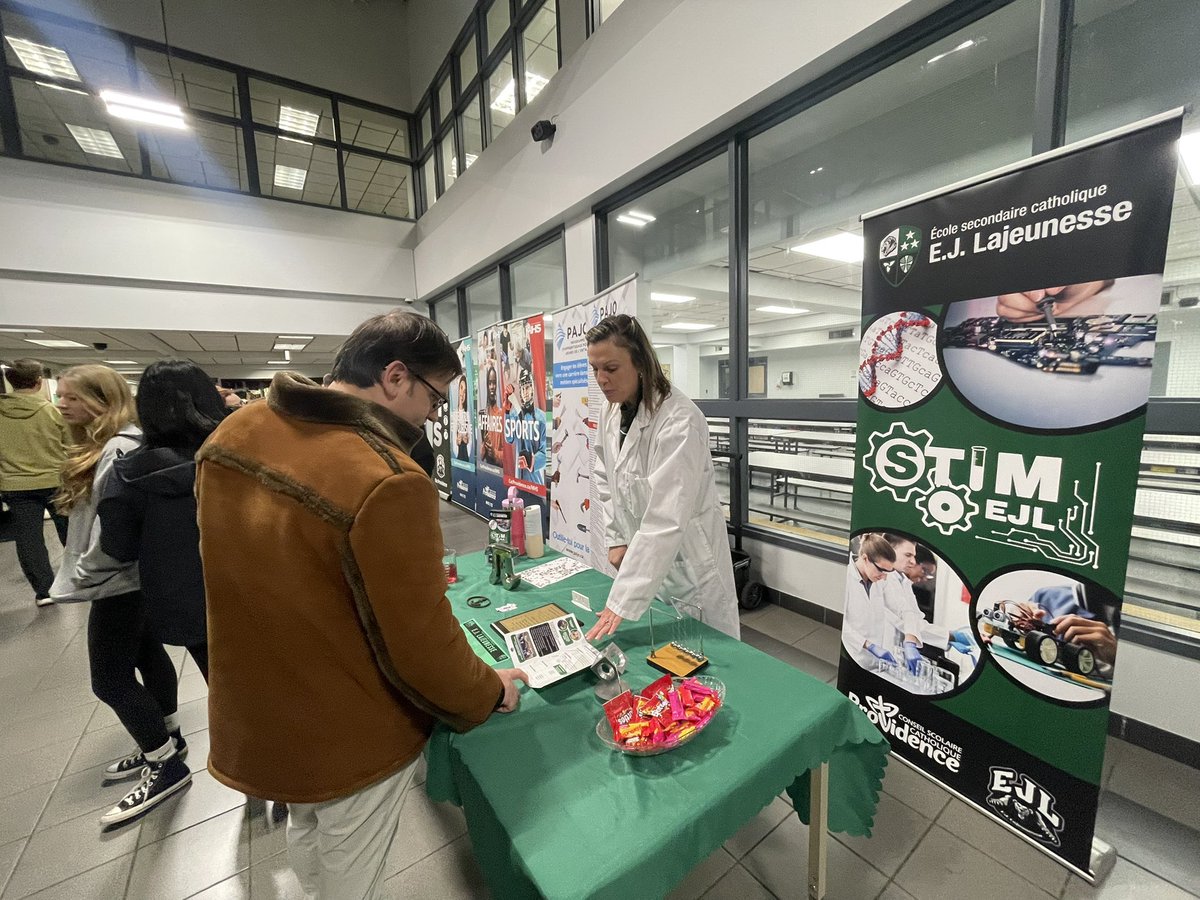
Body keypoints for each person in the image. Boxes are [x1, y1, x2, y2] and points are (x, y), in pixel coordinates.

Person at [195, 310, 527, 899]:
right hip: (347, 726)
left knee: (308, 832)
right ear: (395, 376)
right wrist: (488, 689)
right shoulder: (384, 477)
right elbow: (421, 645)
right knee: (354, 868)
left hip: (263, 708)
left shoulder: (232, 435)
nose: (432, 415)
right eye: (434, 398)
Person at [49, 365, 192, 826]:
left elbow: (112, 531)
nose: (60, 403)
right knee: (147, 655)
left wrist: (84, 576)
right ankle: (168, 737)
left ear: (100, 401)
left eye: (71, 397)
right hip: (131, 578)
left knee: (108, 678)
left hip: (117, 581)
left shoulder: (117, 449)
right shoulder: (124, 444)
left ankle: (164, 762)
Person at [583, 314, 739, 641]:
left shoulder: (680, 421)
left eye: (611, 368)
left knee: (706, 659)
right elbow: (605, 477)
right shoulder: (611, 410)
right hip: (645, 561)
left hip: (690, 568)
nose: (601, 379)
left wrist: (622, 599)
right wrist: (616, 537)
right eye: (595, 369)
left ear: (640, 362)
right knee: (659, 657)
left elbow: (665, 518)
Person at [98, 360, 219, 685]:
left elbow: (118, 547)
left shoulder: (127, 475)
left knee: (222, 684)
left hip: (185, 603)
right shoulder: (239, 459)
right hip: (258, 591)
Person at [0, 359, 70, 606]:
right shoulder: (51, 412)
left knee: (28, 538)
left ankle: (44, 591)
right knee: (69, 532)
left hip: (15, 485)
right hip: (55, 479)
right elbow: (69, 445)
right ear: (39, 382)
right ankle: (74, 579)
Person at [507, 367, 546, 485]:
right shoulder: (515, 414)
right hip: (518, 479)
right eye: (523, 388)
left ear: (532, 388)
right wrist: (506, 413)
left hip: (535, 482)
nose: (525, 392)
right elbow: (509, 439)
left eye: (528, 387)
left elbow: (544, 453)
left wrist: (531, 461)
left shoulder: (541, 418)